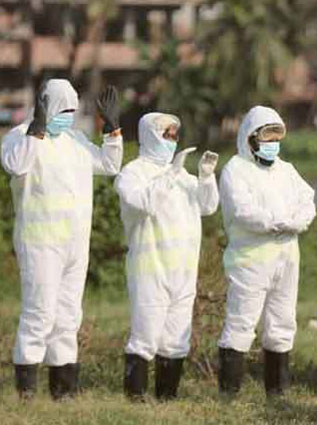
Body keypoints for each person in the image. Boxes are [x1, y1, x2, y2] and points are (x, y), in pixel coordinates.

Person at [1, 79, 123, 400]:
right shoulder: (19, 137)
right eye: (62, 110)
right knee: (39, 313)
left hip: (75, 244)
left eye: (72, 110)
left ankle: (64, 390)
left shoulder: (75, 140)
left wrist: (112, 130)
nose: (68, 116)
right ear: (46, 107)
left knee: (68, 316)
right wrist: (37, 129)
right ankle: (26, 392)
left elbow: (109, 164)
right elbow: (15, 165)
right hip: (40, 243)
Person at [116, 113, 219, 401]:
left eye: (175, 135)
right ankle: (135, 398)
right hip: (150, 268)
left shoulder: (184, 176)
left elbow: (208, 207)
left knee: (176, 339)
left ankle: (166, 399)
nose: (172, 141)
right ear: (149, 135)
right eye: (166, 134)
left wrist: (206, 177)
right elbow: (145, 202)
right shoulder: (133, 173)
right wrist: (171, 173)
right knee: (145, 335)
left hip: (183, 269)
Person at [217, 106, 316, 398]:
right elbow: (242, 210)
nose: (273, 144)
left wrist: (299, 221)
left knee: (282, 323)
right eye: (267, 138)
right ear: (250, 138)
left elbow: (307, 200)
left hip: (286, 258)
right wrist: (276, 222)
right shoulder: (236, 169)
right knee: (241, 323)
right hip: (250, 260)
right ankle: (229, 395)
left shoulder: (286, 170)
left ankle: (277, 391)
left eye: (276, 138)